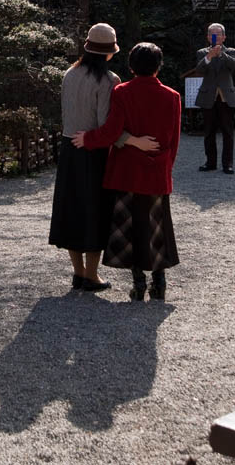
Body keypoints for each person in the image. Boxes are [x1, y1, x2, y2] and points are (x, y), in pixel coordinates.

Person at [49, 24, 157, 293]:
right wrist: (134, 141)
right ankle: (92, 275)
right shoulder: (109, 80)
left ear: (87, 47)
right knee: (95, 211)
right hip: (93, 153)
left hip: (68, 148)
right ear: (109, 52)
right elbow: (106, 127)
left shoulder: (69, 74)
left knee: (72, 210)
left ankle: (77, 273)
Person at [72, 42, 181, 302]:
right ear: (159, 66)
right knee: (156, 228)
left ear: (131, 66)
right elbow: (174, 141)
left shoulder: (122, 92)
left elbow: (111, 132)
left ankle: (138, 284)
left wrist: (86, 139)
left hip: (127, 171)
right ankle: (160, 282)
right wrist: (166, 167)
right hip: (157, 171)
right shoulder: (172, 96)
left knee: (131, 227)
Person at [195, 22, 235, 175]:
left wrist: (220, 54)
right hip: (209, 96)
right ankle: (210, 162)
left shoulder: (231, 51)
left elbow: (234, 66)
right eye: (212, 34)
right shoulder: (202, 52)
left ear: (224, 37)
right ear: (208, 37)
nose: (215, 37)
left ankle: (228, 164)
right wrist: (209, 56)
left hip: (226, 97)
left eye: (218, 34)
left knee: (228, 132)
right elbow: (199, 69)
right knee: (209, 132)